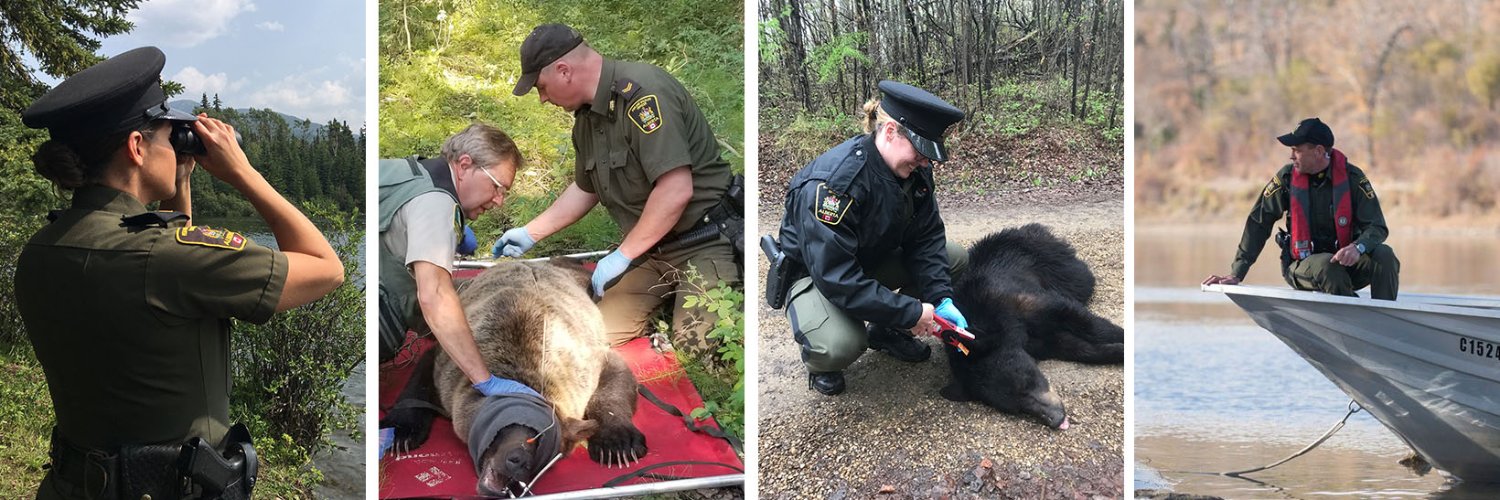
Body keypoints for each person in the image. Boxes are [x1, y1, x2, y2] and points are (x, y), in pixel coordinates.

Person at [14, 46, 345, 499]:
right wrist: (243, 173)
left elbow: (164, 281)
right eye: (169, 137)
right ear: (135, 147)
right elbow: (327, 268)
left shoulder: (44, 248)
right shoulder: (165, 259)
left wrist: (181, 180)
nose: (176, 147)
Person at [496, 24, 743, 365]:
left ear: (564, 71)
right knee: (588, 333)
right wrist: (530, 232)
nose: (543, 99)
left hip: (703, 240)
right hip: (650, 250)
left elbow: (675, 190)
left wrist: (622, 256)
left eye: (541, 87)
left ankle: (692, 301)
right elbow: (586, 188)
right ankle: (664, 303)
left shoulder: (644, 97)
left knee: (700, 352)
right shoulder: (587, 119)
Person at [765, 80, 969, 396]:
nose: (926, 161)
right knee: (841, 345)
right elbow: (836, 277)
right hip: (817, 276)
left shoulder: (914, 171)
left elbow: (926, 238)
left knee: (954, 257)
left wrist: (940, 298)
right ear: (889, 133)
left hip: (865, 261)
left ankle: (885, 331)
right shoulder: (836, 185)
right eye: (920, 150)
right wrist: (911, 312)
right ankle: (821, 360)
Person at [378, 123, 530, 397]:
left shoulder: (417, 171)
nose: (499, 201)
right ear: (464, 165)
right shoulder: (437, 204)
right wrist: (483, 379)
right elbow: (434, 296)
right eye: (497, 187)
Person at [1203, 117, 1400, 300]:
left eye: (1296, 150)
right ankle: (1354, 322)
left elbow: (1377, 227)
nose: (1291, 156)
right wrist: (1237, 273)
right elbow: (1258, 224)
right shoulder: (1287, 179)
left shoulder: (1353, 178)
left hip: (1346, 267)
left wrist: (1358, 248)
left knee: (1385, 255)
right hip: (1302, 267)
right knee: (1327, 266)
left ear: (1318, 151)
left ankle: (1385, 321)